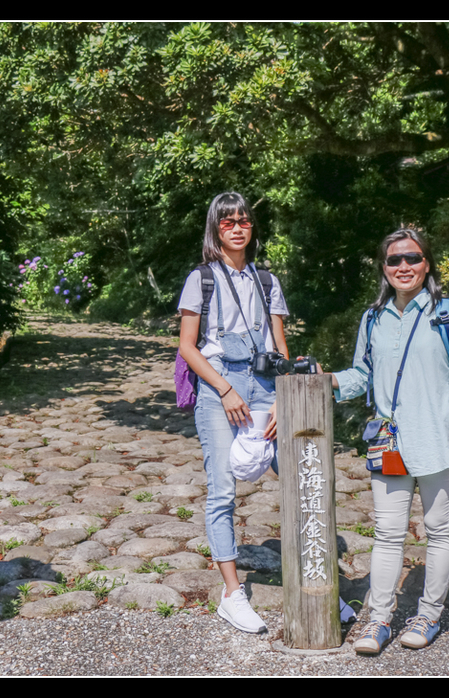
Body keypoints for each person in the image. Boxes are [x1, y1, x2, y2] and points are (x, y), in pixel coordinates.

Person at [329, 228, 449, 654]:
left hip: (439, 439)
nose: (404, 267)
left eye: (412, 258)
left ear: (427, 264)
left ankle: (429, 615)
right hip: (389, 441)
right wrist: (326, 381)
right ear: (384, 268)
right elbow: (361, 375)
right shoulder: (372, 318)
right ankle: (379, 620)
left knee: (439, 530)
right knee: (388, 533)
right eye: (394, 260)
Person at [178, 192, 290, 634]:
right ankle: (232, 594)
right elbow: (187, 346)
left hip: (265, 388)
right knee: (223, 490)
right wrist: (224, 389)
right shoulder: (200, 279)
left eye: (244, 221)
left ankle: (315, 580)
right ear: (216, 230)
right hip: (218, 383)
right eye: (228, 223)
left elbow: (281, 349)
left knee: (297, 478)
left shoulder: (267, 282)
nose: (238, 228)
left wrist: (285, 398)